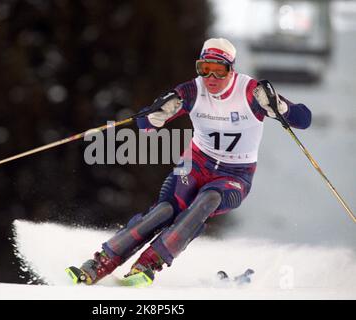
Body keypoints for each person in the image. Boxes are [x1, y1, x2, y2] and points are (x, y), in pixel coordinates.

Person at [68, 38, 312, 285]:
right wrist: (156, 115)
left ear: (232, 69)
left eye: (220, 70)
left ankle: (149, 263)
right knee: (165, 210)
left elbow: (304, 119)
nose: (211, 78)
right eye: (204, 69)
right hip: (195, 165)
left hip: (235, 174)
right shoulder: (192, 91)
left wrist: (279, 107)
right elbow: (143, 125)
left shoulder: (251, 92)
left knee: (209, 199)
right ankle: (101, 262)